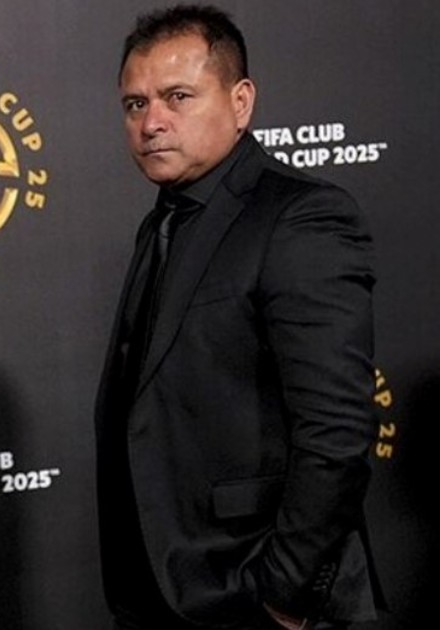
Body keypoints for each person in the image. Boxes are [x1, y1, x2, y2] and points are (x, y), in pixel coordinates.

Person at [95, 5, 381, 629]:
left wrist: (283, 595)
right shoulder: (163, 223)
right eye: (135, 104)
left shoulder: (300, 218)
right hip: (165, 595)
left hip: (260, 599)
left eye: (178, 97)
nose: (152, 122)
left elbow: (336, 430)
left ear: (241, 101)